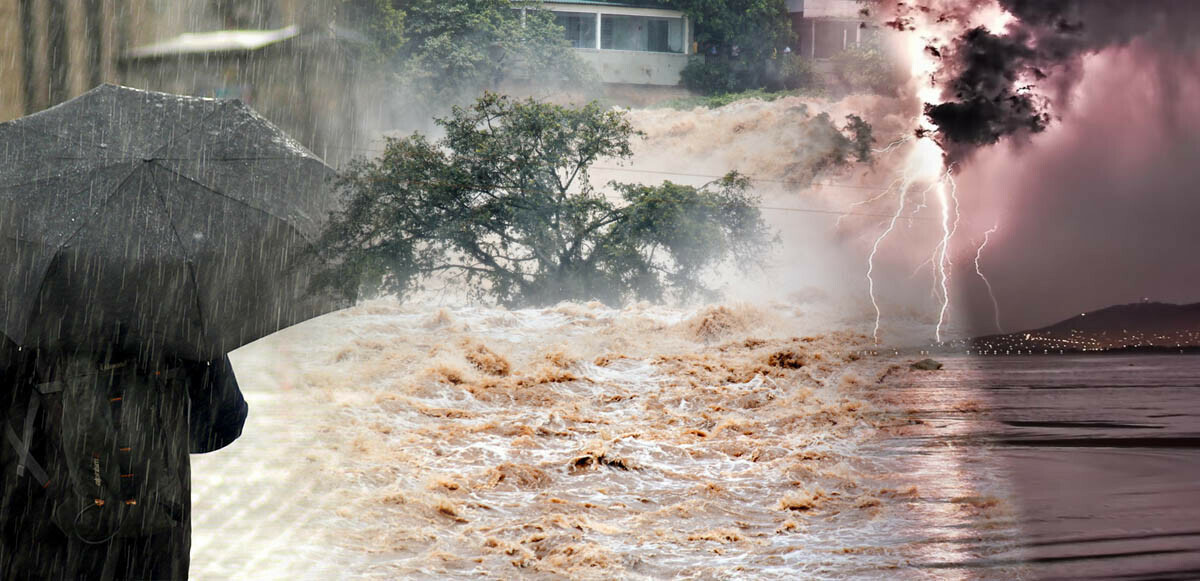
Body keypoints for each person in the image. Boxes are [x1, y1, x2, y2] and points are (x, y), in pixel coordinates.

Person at [0, 339, 247, 580]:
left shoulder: (26, 318)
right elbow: (223, 423)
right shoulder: (176, 317)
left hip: (46, 533)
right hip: (155, 536)